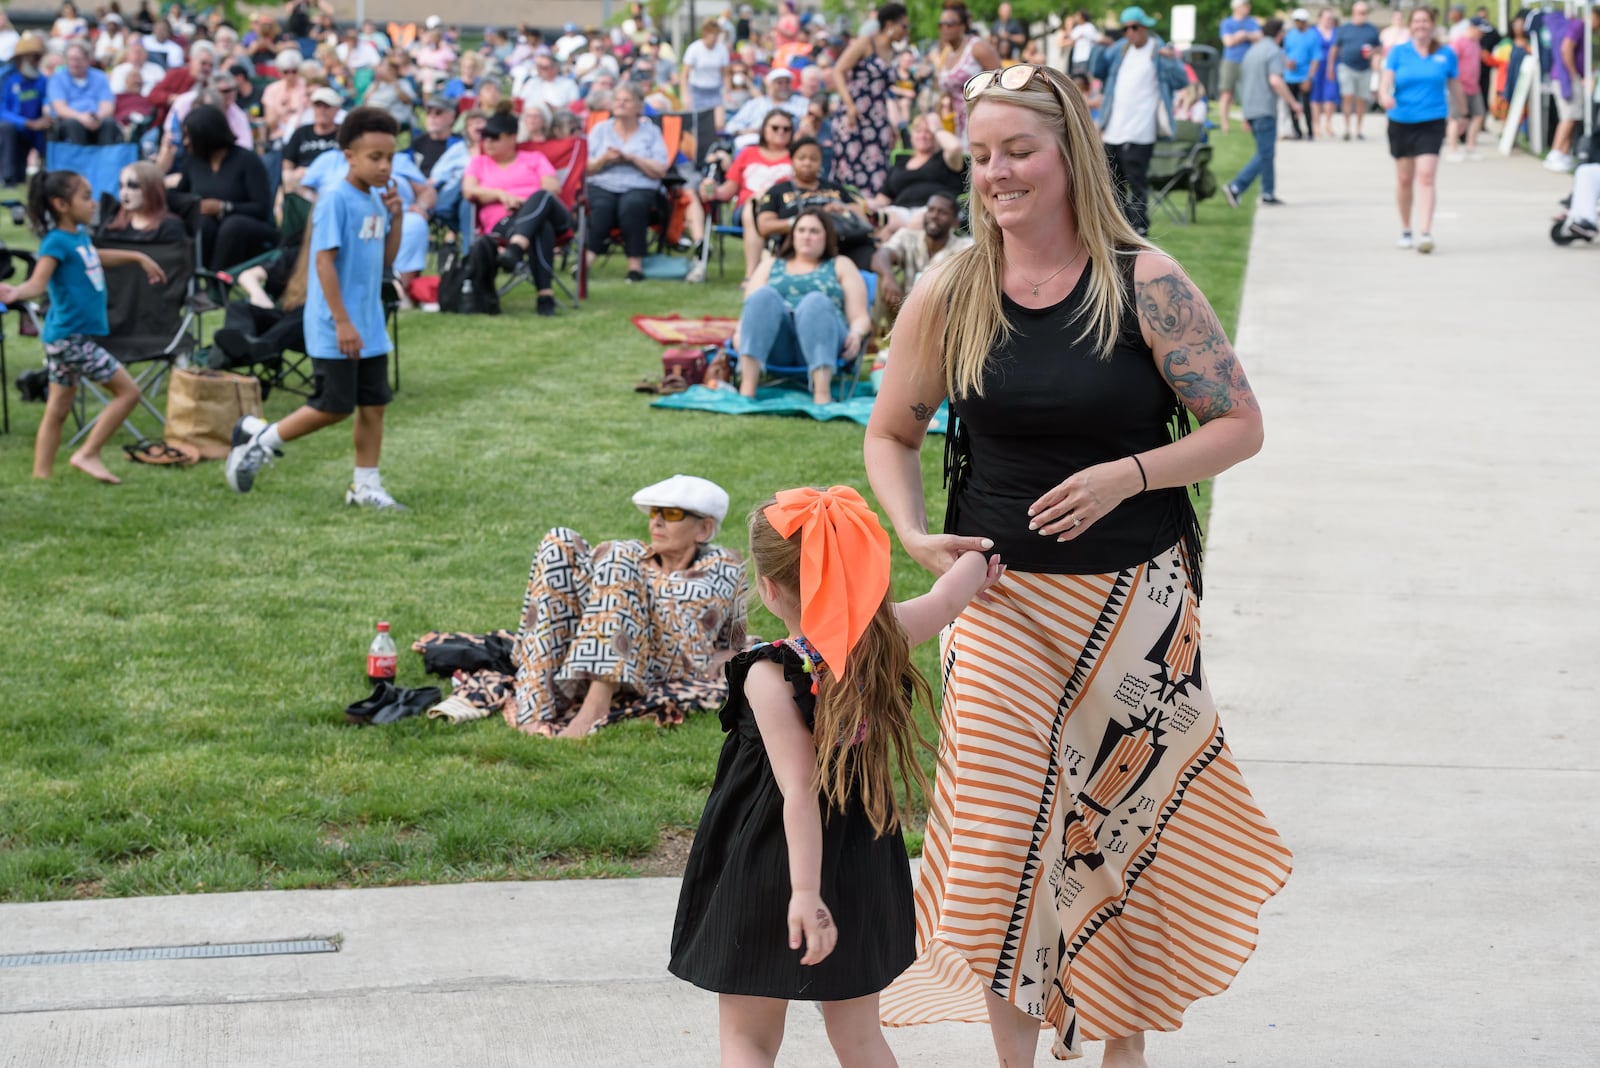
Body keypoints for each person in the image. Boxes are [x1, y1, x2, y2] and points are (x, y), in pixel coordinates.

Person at [864, 63, 1292, 1065]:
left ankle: (1120, 1048)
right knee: (1004, 844)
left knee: (1118, 837)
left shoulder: (1143, 281)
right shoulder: (952, 286)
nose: (996, 173)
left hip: (1134, 606)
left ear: (1069, 155)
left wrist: (1129, 476)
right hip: (998, 605)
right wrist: (916, 536)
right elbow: (891, 432)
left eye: (1018, 150)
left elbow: (1237, 426)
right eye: (979, 156)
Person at [669, 485, 1001, 1068]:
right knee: (859, 1038)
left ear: (770, 589)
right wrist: (978, 557)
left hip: (770, 864)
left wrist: (803, 894)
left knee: (748, 1040)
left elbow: (797, 792)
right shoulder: (885, 638)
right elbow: (949, 598)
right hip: (859, 858)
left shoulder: (767, 676)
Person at [418, 475, 750, 735]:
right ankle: (536, 706)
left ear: (704, 528)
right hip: (605, 648)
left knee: (619, 552)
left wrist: (730, 652)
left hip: (665, 663)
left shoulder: (724, 566)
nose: (656, 522)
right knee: (559, 540)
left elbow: (735, 634)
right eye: (654, 513)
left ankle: (595, 706)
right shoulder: (636, 559)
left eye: (672, 514)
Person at [224, 107, 405, 509]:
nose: (384, 166)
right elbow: (323, 263)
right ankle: (260, 441)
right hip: (335, 324)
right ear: (349, 156)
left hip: (370, 324)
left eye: (389, 157)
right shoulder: (335, 201)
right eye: (374, 157)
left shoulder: (377, 201)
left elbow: (385, 261)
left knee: (374, 405)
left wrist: (397, 215)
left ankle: (365, 486)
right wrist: (342, 322)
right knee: (333, 406)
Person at [0, 170, 164, 484]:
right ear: (61, 204)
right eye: (86, 198)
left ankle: (41, 476)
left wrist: (136, 257)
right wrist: (16, 292)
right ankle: (87, 453)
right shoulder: (56, 242)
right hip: (70, 339)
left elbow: (91, 256)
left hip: (63, 338)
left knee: (58, 408)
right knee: (129, 393)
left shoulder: (76, 238)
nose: (93, 204)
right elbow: (38, 281)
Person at [732, 209, 872, 405]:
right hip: (778, 344)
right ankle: (747, 391)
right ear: (792, 234)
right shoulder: (770, 264)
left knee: (815, 301)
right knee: (763, 296)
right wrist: (739, 333)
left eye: (814, 231)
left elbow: (860, 316)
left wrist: (856, 334)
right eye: (801, 230)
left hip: (825, 338)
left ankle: (822, 395)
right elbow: (750, 309)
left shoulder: (840, 264)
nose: (807, 236)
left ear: (827, 236)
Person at [1093, 7, 1190, 237]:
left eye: (1134, 27)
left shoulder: (1159, 51)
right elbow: (1097, 71)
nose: (1130, 32)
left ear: (1144, 27)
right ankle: (1118, 225)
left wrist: (1173, 60)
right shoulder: (1119, 50)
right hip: (1114, 127)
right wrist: (1099, 46)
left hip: (1141, 129)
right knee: (1111, 181)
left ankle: (1139, 227)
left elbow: (1181, 81)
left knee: (1136, 181)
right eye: (1125, 28)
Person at [464, 110, 568, 316]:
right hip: (503, 222)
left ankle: (516, 247)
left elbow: (552, 188)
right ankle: (545, 296)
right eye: (485, 138)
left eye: (494, 138)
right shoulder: (479, 163)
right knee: (540, 226)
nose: (488, 143)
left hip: (550, 214)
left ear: (512, 137)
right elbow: (469, 190)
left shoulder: (534, 158)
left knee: (541, 196)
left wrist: (522, 202)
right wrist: (500, 194)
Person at [1380, 6, 1462, 255]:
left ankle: (1425, 232)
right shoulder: (1398, 52)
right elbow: (1386, 82)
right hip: (1401, 120)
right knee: (1405, 179)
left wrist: (1463, 114)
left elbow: (1455, 86)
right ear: (1410, 25)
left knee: (1426, 175)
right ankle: (1406, 230)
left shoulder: (1446, 54)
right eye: (1416, 21)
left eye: (1425, 21)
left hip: (1432, 120)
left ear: (1432, 24)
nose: (1421, 26)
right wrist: (1384, 96)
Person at [584, 82, 668, 284]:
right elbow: (585, 166)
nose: (620, 104)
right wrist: (604, 159)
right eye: (617, 100)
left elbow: (660, 169)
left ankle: (635, 266)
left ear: (639, 107)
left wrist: (632, 158)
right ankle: (585, 261)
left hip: (639, 184)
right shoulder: (600, 130)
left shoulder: (651, 132)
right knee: (603, 206)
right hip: (602, 183)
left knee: (632, 205)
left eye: (627, 100)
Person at [173, 106, 276, 270]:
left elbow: (262, 209)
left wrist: (224, 207)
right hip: (211, 229)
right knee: (204, 223)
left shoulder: (247, 160)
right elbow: (179, 197)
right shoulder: (193, 162)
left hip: (248, 229)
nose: (185, 142)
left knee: (232, 225)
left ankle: (217, 282)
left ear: (207, 135)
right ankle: (200, 277)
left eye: (190, 136)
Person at [702, 108, 794, 284]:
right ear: (763, 129)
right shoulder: (747, 154)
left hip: (784, 211)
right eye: (775, 127)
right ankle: (752, 275)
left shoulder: (796, 156)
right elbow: (727, 191)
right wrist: (712, 189)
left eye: (786, 129)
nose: (781, 132)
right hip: (747, 211)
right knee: (754, 205)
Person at [756, 136, 875, 269]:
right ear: (792, 161)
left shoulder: (835, 188)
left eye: (813, 159)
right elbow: (764, 226)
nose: (807, 163)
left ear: (821, 162)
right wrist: (808, 220)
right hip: (800, 248)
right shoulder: (778, 191)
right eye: (801, 158)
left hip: (844, 244)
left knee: (876, 256)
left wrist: (843, 210)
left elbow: (861, 218)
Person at [831, 3, 909, 201]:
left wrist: (891, 122)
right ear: (889, 24)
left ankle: (873, 213)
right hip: (854, 114)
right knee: (850, 166)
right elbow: (838, 71)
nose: (906, 31)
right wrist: (849, 105)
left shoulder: (892, 50)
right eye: (903, 26)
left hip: (878, 116)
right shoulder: (866, 42)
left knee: (878, 166)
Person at [1223, 19, 1300, 208]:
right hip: (1264, 108)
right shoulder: (1274, 51)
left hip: (1250, 108)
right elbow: (1275, 81)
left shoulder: (1252, 51)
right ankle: (1236, 186)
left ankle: (1268, 193)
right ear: (1279, 34)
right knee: (1266, 153)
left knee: (1265, 152)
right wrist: (1293, 103)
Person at [871, 190, 971, 323]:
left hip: (938, 318)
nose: (934, 216)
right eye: (931, 210)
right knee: (883, 273)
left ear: (955, 222)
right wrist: (888, 277)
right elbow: (881, 254)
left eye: (943, 212)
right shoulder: (907, 236)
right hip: (901, 311)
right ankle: (878, 334)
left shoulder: (964, 246)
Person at [870, 112, 967, 234]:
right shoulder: (900, 162)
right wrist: (863, 205)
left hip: (934, 210)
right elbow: (882, 199)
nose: (922, 135)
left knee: (917, 222)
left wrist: (937, 128)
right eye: (918, 131)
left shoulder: (944, 159)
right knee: (883, 221)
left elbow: (955, 147)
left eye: (928, 132)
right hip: (900, 211)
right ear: (911, 135)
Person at [934, 0, 1001, 145]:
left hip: (980, 121)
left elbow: (1001, 82)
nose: (944, 28)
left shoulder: (977, 47)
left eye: (949, 24)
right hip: (954, 126)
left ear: (962, 26)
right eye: (941, 24)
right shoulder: (946, 53)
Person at [1543, 7, 1597, 173]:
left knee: (1573, 117)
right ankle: (1556, 152)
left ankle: (1563, 155)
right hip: (1566, 79)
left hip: (1565, 77)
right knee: (1568, 117)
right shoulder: (1579, 26)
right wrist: (1575, 75)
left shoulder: (1579, 27)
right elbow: (1566, 48)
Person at [0, 36, 51, 188]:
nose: (37, 62)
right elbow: (2, 110)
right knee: (6, 128)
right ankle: (7, 178)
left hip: (37, 130)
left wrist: (46, 117)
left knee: (52, 130)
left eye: (39, 58)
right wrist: (26, 123)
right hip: (15, 129)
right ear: (21, 59)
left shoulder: (42, 80)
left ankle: (48, 174)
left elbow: (48, 101)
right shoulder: (7, 79)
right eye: (34, 58)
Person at [46, 40, 119, 144]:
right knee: (73, 125)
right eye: (70, 59)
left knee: (109, 123)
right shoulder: (57, 79)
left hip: (96, 120)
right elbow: (60, 109)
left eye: (77, 59)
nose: (73, 63)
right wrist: (82, 118)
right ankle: (78, 159)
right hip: (70, 121)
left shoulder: (100, 77)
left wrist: (96, 118)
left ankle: (107, 158)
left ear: (87, 59)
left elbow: (107, 105)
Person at [1329, 1, 1381, 141]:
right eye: (1360, 12)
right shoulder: (1345, 28)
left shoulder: (1371, 29)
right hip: (1346, 67)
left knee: (1361, 100)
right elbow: (1335, 48)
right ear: (1354, 13)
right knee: (1347, 96)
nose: (1363, 15)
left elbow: (1379, 47)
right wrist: (1330, 67)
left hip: (1364, 68)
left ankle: (1358, 130)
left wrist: (1373, 52)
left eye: (1365, 12)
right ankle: (1347, 129)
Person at [99, 160, 186, 242]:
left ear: (151, 190)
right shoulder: (112, 224)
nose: (124, 193)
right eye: (121, 186)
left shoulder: (170, 228)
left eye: (133, 186)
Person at [723, 65, 808, 148]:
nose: (784, 86)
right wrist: (745, 131)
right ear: (770, 85)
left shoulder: (802, 103)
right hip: (755, 144)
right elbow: (731, 126)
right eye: (779, 83)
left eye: (787, 82)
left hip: (789, 144)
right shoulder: (756, 103)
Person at [281, 86, 342, 197]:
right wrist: (293, 173)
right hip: (302, 181)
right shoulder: (301, 132)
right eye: (318, 106)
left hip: (333, 178)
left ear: (336, 110)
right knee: (287, 176)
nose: (321, 110)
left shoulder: (343, 133)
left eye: (326, 106)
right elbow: (287, 163)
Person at [1217, 1, 1262, 135]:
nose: (1248, 8)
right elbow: (1228, 42)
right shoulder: (1227, 23)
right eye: (1245, 5)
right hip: (1230, 61)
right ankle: (1224, 124)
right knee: (1226, 93)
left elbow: (1260, 37)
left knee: (1247, 94)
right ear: (1237, 7)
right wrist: (1245, 36)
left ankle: (1246, 123)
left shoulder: (1251, 22)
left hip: (1248, 62)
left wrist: (1244, 35)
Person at [1445, 19, 1485, 161]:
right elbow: (1449, 62)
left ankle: (1470, 146)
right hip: (1459, 85)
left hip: (1474, 86)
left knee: (1478, 115)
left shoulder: (1476, 43)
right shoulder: (1459, 42)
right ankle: (1452, 149)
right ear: (1472, 28)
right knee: (1456, 118)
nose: (1481, 33)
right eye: (1479, 30)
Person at [1283, 8, 1321, 140]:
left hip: (1305, 76)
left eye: (1302, 21)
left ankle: (1310, 132)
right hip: (1290, 76)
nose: (1300, 23)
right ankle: (1297, 131)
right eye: (1297, 21)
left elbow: (1316, 59)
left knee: (1306, 106)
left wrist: (1309, 78)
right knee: (1292, 105)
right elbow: (1285, 54)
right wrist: (1288, 63)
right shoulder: (1290, 35)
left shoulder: (1312, 35)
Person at [679, 18, 730, 115]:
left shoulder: (722, 49)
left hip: (715, 91)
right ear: (706, 33)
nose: (715, 38)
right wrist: (685, 95)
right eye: (713, 34)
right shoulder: (694, 49)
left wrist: (727, 91)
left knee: (719, 123)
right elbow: (684, 75)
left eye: (717, 34)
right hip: (697, 91)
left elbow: (725, 74)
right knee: (697, 123)